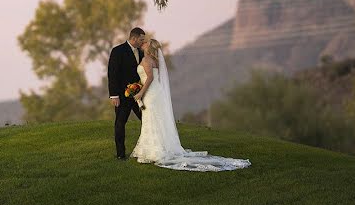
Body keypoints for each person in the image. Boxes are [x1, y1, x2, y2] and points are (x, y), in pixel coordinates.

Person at [131, 37, 250, 172]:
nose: (143, 43)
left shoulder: (147, 60)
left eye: (146, 43)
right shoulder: (155, 60)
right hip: (156, 93)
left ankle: (154, 151)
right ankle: (157, 147)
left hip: (151, 94)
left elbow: (150, 78)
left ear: (149, 47)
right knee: (157, 120)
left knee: (152, 120)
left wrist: (140, 93)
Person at [107, 27, 146, 160]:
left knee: (146, 120)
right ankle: (120, 154)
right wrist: (114, 95)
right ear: (133, 38)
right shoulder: (117, 51)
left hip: (138, 95)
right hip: (122, 96)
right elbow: (112, 74)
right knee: (120, 123)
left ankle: (149, 148)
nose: (143, 42)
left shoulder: (141, 52)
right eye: (141, 40)